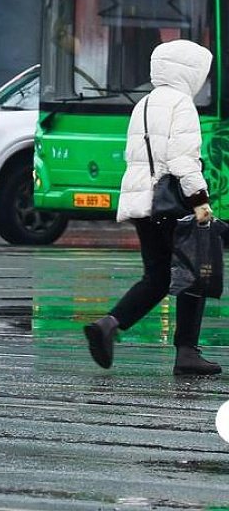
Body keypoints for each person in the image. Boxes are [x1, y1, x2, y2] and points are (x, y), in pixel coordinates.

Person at [84, 39, 219, 376]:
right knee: (192, 275)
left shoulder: (143, 103)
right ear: (189, 71)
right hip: (172, 203)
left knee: (157, 276)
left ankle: (108, 323)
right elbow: (181, 159)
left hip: (144, 204)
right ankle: (187, 353)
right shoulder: (181, 104)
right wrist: (200, 202)